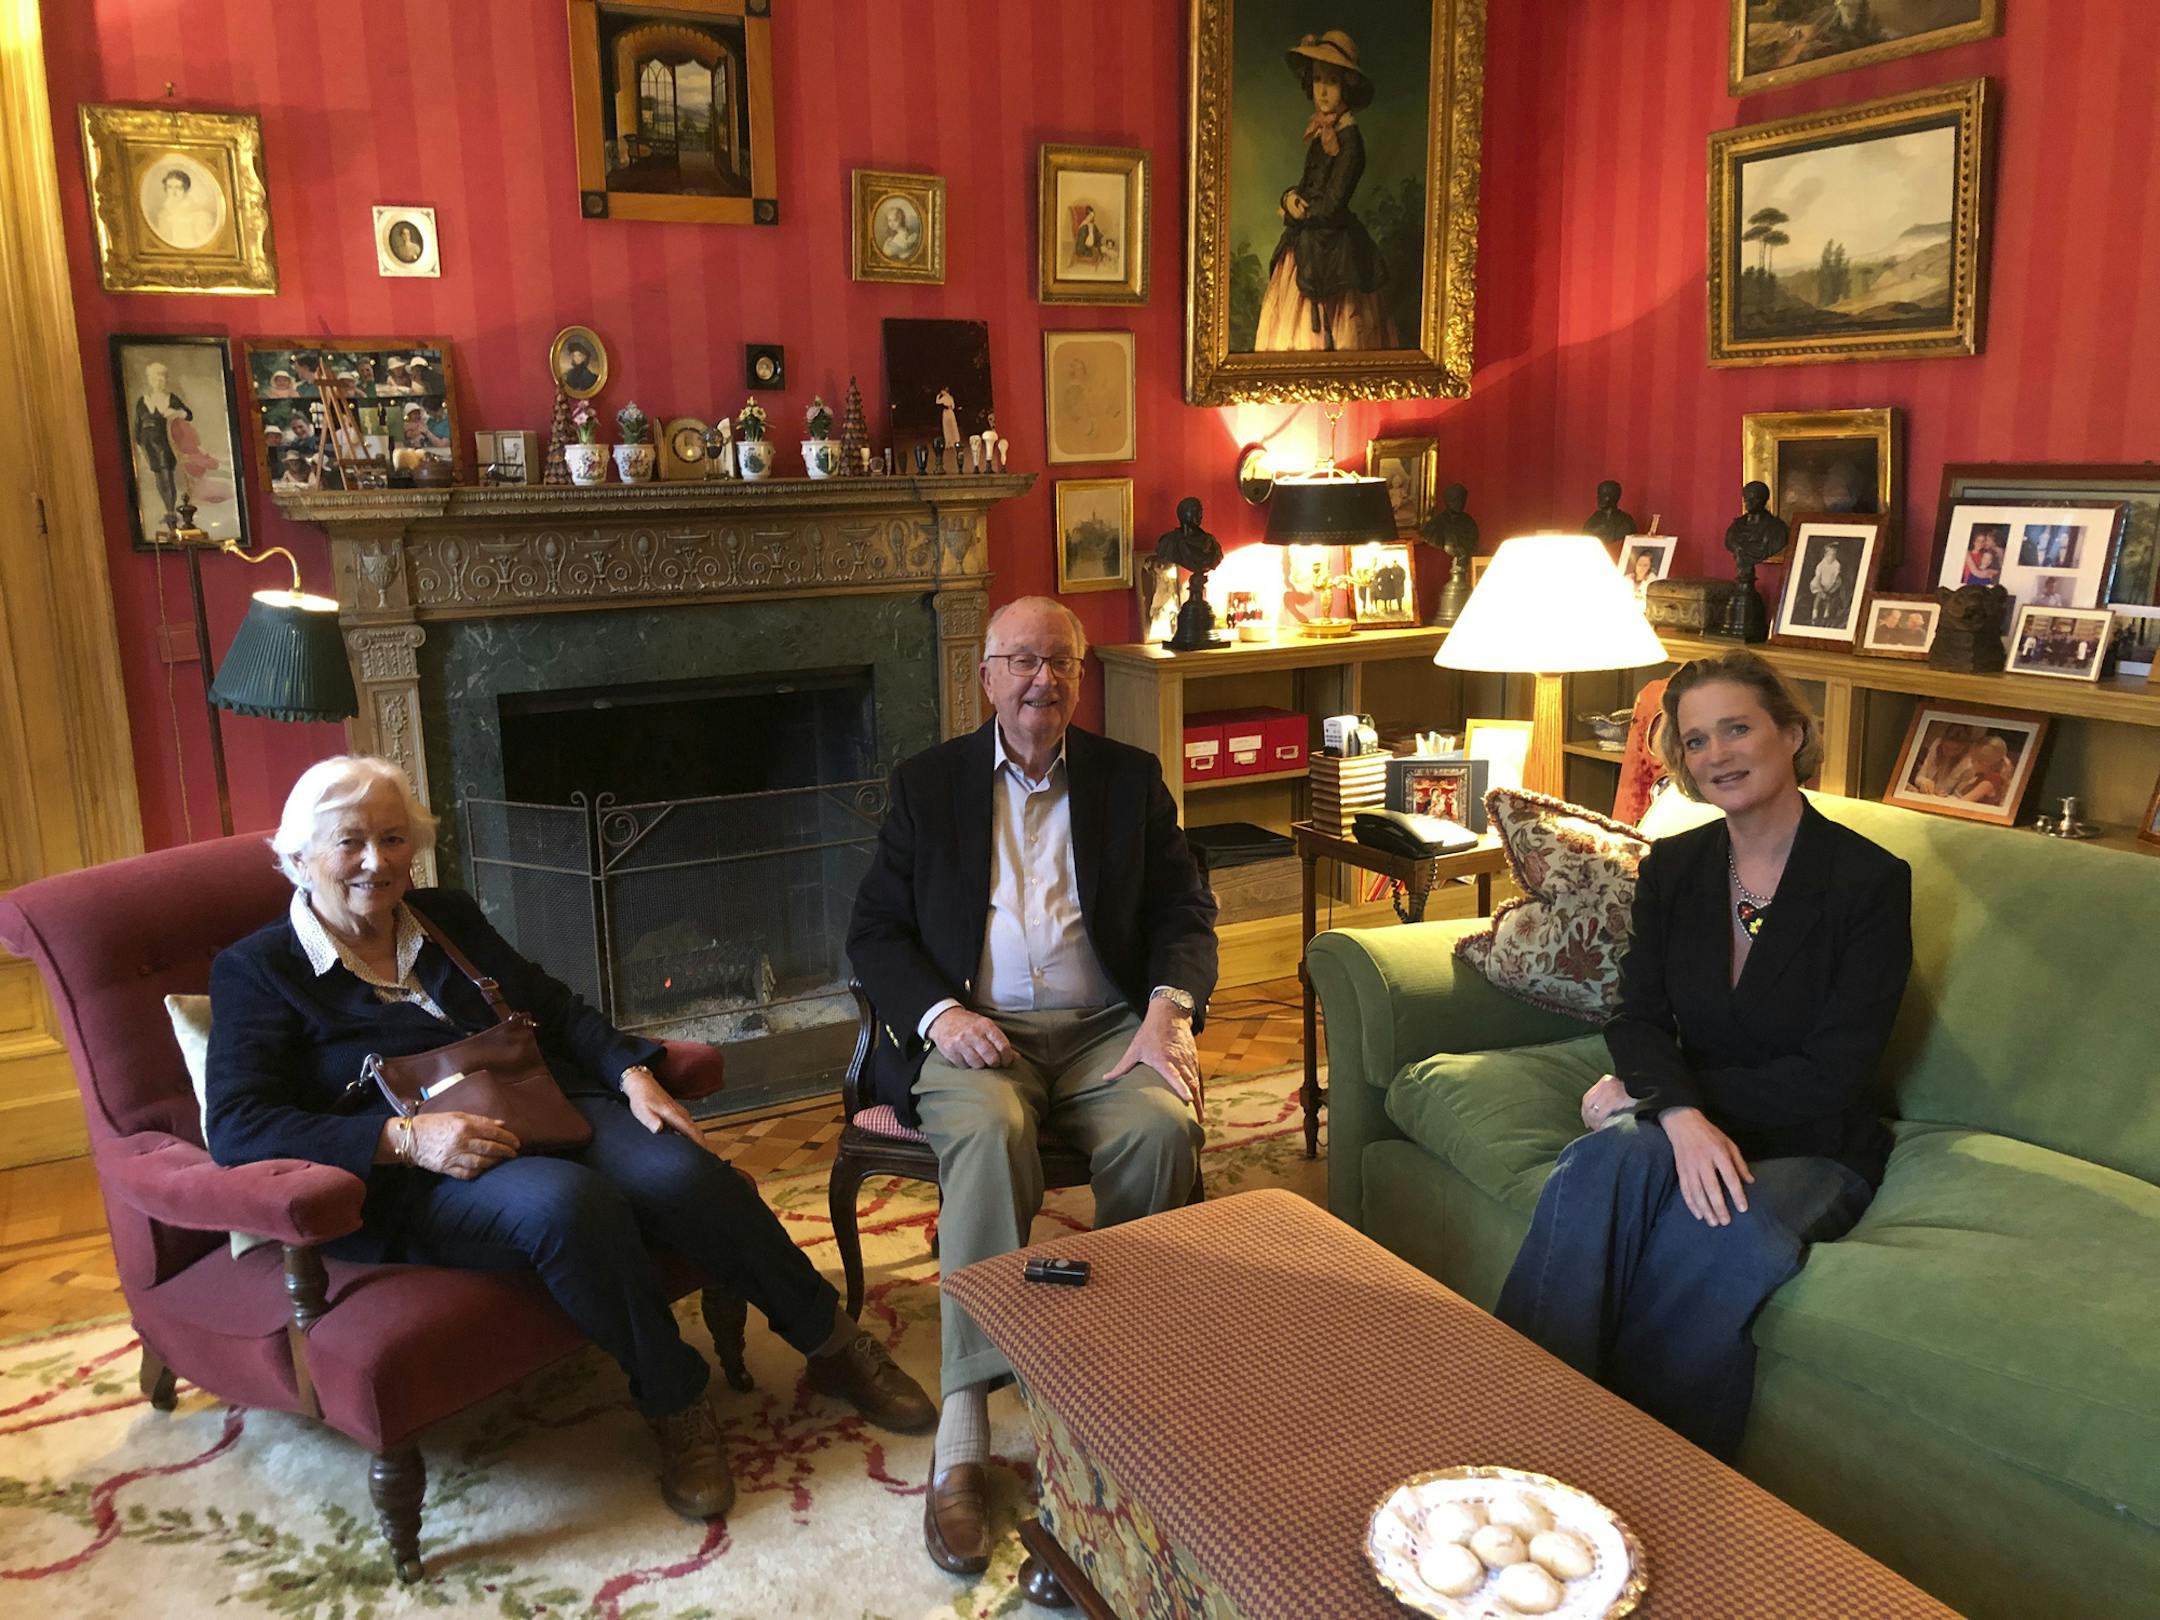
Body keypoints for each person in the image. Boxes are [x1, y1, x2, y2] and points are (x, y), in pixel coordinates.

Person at [207, 757, 933, 1523]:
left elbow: (549, 1003)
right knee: (570, 1207)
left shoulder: (444, 916)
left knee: (684, 1175)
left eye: (392, 839)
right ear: (297, 857)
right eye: (349, 842)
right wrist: (403, 1139)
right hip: (424, 1173)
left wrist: (631, 1074)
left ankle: (833, 1343)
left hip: (547, 1103)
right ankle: (675, 1402)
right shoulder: (258, 971)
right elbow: (238, 1124)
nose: (375, 862)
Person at [847, 596, 1216, 1574]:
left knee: (1159, 1129)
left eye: (1059, 662)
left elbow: (1185, 906)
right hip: (983, 1037)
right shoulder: (930, 786)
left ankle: (1116, 1379)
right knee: (989, 1134)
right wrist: (941, 1016)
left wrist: (1168, 1011)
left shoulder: (1130, 781)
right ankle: (964, 1431)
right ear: (987, 675)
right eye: (1021, 661)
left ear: (1080, 675)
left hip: (1106, 1032)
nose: (1041, 680)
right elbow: (874, 931)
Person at [1495, 649, 1913, 1459]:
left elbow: (1836, 1073)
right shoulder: (1676, 868)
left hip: (1814, 1142)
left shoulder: (1868, 881)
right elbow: (1638, 1011)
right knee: (1602, 1163)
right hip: (1692, 1115)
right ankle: (1524, 1424)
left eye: (1737, 728)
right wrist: (1675, 1113)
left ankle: (1650, 1467)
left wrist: (1670, 1101)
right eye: (1695, 741)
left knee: (1718, 1228)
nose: (1717, 753)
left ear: (1790, 733)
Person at [1253, 30, 1395, 352]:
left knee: (1339, 329)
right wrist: (1289, 198)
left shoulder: (1351, 143)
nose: (1323, 90)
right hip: (1306, 241)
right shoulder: (1321, 132)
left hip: (1335, 250)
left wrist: (1301, 212)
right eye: (1318, 80)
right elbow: (1307, 184)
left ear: (1347, 85)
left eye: (1331, 81)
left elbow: (1332, 203)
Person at [132, 361, 192, 529]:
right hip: (148, 445)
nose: (158, 380)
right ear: (149, 380)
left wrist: (177, 412)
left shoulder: (171, 399)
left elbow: (189, 415)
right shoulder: (142, 401)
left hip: (166, 443)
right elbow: (136, 426)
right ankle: (168, 510)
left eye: (161, 377)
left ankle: (172, 511)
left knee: (167, 475)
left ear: (166, 379)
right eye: (154, 377)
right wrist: (138, 445)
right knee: (159, 476)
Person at [146, 165, 220, 250]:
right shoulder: (163, 214)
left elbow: (205, 246)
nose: (173, 192)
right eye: (170, 187)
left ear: (186, 189)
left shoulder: (200, 215)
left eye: (178, 188)